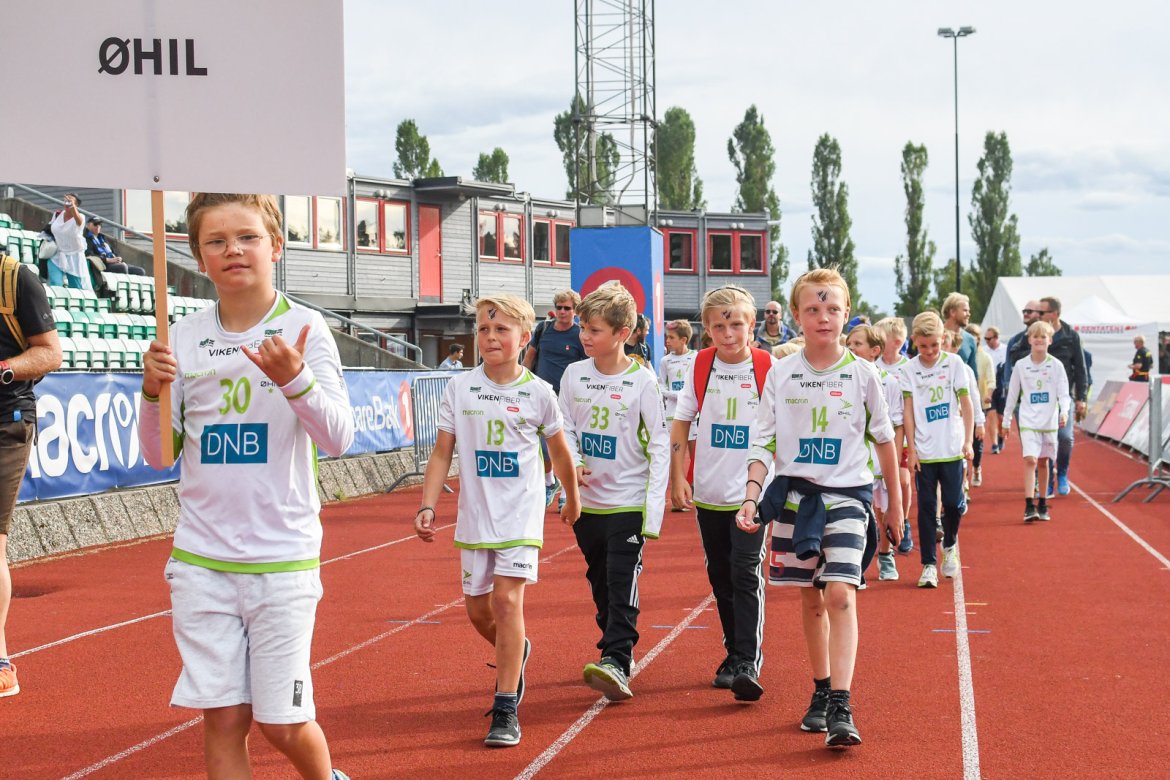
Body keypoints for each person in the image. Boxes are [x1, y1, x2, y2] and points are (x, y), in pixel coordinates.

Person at [138, 193, 355, 779]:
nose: (233, 249)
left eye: (247, 237)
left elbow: (338, 438)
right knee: (225, 719)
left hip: (281, 560)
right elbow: (159, 456)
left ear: (275, 246)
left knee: (282, 724)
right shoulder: (180, 337)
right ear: (198, 256)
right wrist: (150, 393)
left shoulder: (306, 328)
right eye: (216, 241)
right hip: (201, 561)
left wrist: (295, 381)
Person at [740, 269, 902, 748]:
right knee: (811, 599)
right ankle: (820, 689)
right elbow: (762, 441)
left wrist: (894, 506)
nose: (823, 317)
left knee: (840, 595)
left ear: (846, 313)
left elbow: (885, 441)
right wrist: (751, 496)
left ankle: (841, 704)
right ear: (796, 315)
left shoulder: (864, 374)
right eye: (813, 309)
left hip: (849, 498)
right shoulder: (781, 373)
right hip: (795, 499)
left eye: (832, 309)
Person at [414, 293, 580, 748]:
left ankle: (506, 708)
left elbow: (560, 451)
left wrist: (572, 496)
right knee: (478, 611)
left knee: (507, 602)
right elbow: (442, 452)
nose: (490, 337)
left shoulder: (539, 392)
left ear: (524, 337)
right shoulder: (459, 388)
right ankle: (516, 647)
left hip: (521, 513)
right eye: (483, 330)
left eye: (501, 330)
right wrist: (428, 504)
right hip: (475, 516)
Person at [558, 283, 669, 701]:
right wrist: (573, 465)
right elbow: (564, 428)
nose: (585, 336)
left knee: (622, 578)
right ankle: (613, 640)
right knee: (600, 580)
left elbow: (659, 444)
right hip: (587, 503)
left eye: (595, 330)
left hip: (628, 500)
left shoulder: (643, 381)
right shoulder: (573, 375)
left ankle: (617, 658)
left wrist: (653, 512)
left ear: (623, 334)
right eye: (583, 327)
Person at [670, 285, 775, 702]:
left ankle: (747, 660)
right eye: (718, 326)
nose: (728, 333)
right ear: (707, 329)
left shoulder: (768, 367)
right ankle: (733, 652)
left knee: (745, 572)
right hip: (709, 491)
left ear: (752, 325)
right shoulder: (700, 365)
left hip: (752, 492)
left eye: (736, 325)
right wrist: (678, 476)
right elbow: (681, 422)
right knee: (720, 575)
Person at [0, 251, 62, 699]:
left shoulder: (15, 278)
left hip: (6, 421)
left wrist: (4, 368)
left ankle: (1, 662)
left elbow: (50, 353)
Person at [901, 311, 974, 589]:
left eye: (935, 344)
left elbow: (966, 404)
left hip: (952, 448)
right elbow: (908, 412)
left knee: (954, 504)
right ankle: (928, 565)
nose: (930, 351)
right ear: (914, 341)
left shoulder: (954, 363)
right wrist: (912, 449)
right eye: (923, 346)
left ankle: (950, 543)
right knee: (927, 507)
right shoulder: (909, 370)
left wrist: (968, 440)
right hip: (925, 451)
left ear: (943, 339)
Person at [845, 323, 905, 581]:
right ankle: (855, 564)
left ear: (875, 351)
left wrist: (898, 458)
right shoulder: (843, 378)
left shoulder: (888, 382)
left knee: (883, 511)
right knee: (860, 513)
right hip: (856, 460)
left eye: (857, 344)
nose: (851, 349)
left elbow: (895, 424)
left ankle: (885, 554)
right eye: (848, 344)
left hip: (880, 457)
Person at [1001, 320, 1070, 523]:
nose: (1039, 340)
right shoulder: (1021, 366)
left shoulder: (1056, 365)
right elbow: (1012, 395)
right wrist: (1006, 420)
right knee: (1030, 459)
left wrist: (1064, 412)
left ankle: (1042, 503)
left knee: (1043, 462)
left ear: (1050, 340)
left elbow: (1064, 393)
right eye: (1036, 336)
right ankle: (1029, 505)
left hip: (1048, 422)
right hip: (1028, 420)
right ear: (1029, 339)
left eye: (1043, 337)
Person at [523, 289, 586, 507]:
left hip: (567, 398)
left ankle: (567, 492)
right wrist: (520, 383)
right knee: (541, 444)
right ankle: (550, 482)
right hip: (540, 395)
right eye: (559, 307)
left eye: (567, 308)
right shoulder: (543, 329)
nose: (562, 311)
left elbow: (586, 366)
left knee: (566, 444)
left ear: (575, 311)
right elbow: (530, 357)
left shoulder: (579, 334)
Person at [1038, 297, 1088, 495]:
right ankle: (1048, 480)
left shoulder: (1071, 336)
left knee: (1065, 438)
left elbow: (1081, 368)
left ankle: (1062, 473)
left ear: (1054, 314)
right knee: (1047, 440)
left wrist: (1082, 397)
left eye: (1042, 312)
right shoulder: (1037, 334)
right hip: (1041, 397)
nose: (1038, 315)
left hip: (1063, 397)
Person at [873, 317, 914, 554]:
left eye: (882, 338)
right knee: (881, 489)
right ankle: (883, 528)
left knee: (903, 480)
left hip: (903, 434)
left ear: (897, 342)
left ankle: (904, 520)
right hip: (880, 437)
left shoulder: (907, 367)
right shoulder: (875, 366)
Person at [659, 319, 696, 511]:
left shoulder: (695, 358)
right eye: (667, 337)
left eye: (671, 337)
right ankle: (677, 497)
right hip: (673, 414)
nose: (667, 341)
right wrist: (676, 395)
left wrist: (687, 396)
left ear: (683, 340)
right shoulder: (665, 361)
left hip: (693, 415)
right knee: (676, 457)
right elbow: (661, 386)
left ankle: (694, 492)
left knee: (696, 457)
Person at [965, 324, 996, 487]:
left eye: (975, 337)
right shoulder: (961, 356)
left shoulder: (985, 358)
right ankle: (963, 477)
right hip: (962, 405)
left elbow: (991, 379)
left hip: (980, 403)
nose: (973, 339)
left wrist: (988, 394)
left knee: (977, 442)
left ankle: (976, 467)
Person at [47, 193, 92, 290]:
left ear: (76, 205)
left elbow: (79, 222)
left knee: (76, 288)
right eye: (66, 201)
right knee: (55, 285)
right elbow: (49, 229)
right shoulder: (57, 214)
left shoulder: (80, 217)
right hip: (57, 255)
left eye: (71, 201)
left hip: (74, 257)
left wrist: (73, 207)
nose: (67, 203)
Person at [941, 292, 979, 378]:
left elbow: (974, 375)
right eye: (965, 310)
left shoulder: (970, 340)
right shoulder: (935, 336)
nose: (969, 314)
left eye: (969, 311)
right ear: (952, 312)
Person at [984, 326, 1007, 454]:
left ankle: (1001, 436)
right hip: (989, 387)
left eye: (989, 338)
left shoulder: (1006, 349)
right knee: (991, 415)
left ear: (996, 337)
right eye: (985, 338)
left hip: (1001, 387)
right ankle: (994, 444)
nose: (987, 341)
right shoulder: (984, 351)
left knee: (1001, 417)